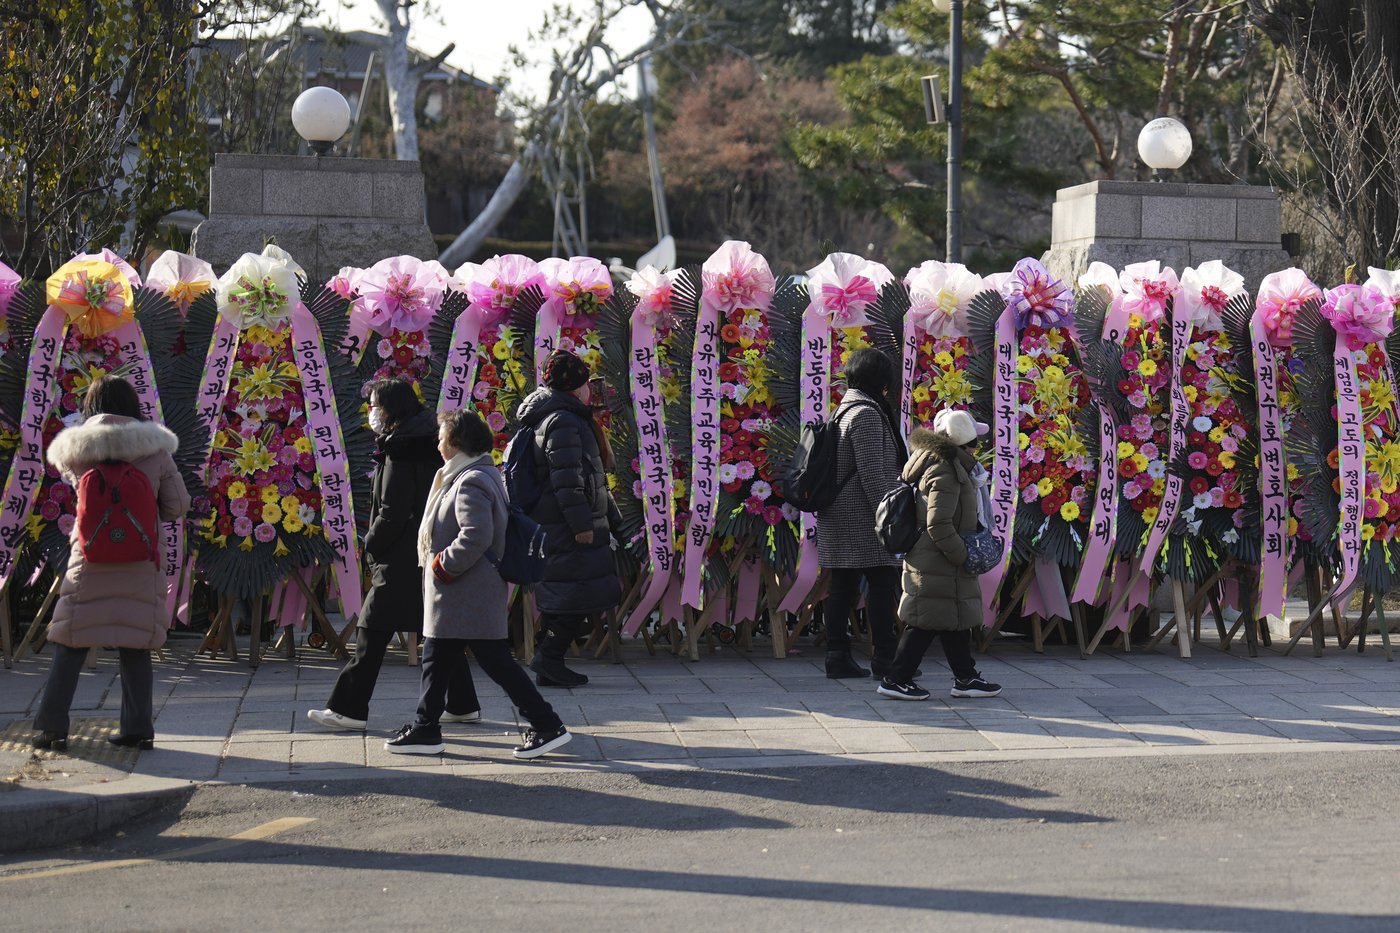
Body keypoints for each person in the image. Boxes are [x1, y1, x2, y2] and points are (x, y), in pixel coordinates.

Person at [386, 408, 572, 759]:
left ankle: (547, 724)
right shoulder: (472, 474)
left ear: (456, 442)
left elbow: (476, 535)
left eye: (442, 437)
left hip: (466, 589)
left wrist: (443, 565)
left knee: (495, 662)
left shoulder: (471, 480)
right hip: (463, 592)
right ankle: (427, 727)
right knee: (437, 658)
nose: (438, 443)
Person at [308, 378, 480, 732]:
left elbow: (392, 511)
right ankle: (462, 704)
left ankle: (348, 708)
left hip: (400, 556)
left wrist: (370, 543)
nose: (371, 412)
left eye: (374, 405)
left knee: (371, 632)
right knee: (438, 631)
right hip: (423, 551)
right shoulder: (425, 440)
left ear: (388, 409)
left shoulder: (399, 449)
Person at [31, 375, 191, 751]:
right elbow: (177, 505)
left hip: (89, 558)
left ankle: (52, 728)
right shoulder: (156, 450)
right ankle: (137, 730)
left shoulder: (75, 450)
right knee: (135, 644)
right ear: (133, 406)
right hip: (140, 559)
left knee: (69, 641)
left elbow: (80, 492)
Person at [877, 410, 1002, 701]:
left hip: (938, 558)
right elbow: (938, 524)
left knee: (952, 618)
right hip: (938, 558)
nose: (977, 448)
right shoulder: (945, 470)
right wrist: (961, 555)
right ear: (964, 444)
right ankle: (897, 678)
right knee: (925, 621)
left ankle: (965, 677)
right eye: (974, 442)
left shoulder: (947, 465)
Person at [514, 349, 622, 687]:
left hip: (557, 522)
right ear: (576, 386)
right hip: (567, 525)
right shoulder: (562, 420)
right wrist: (582, 526)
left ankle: (551, 660)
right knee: (575, 595)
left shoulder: (560, 416)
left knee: (567, 593)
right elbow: (567, 480)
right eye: (587, 383)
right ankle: (549, 657)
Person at [816, 347, 909, 680]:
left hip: (839, 513)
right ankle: (885, 659)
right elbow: (872, 474)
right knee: (882, 585)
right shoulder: (867, 415)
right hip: (862, 517)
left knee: (843, 586)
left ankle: (837, 656)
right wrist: (890, 519)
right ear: (880, 380)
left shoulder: (844, 409)